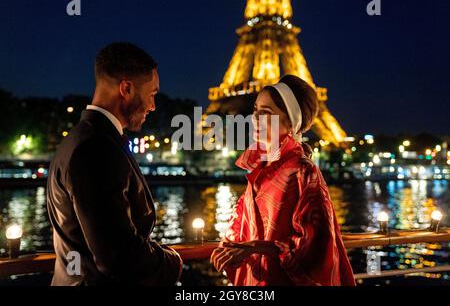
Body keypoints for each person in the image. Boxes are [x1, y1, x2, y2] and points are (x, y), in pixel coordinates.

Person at [47, 42, 182, 285]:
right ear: (126, 88)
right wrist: (171, 262)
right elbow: (117, 256)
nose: (153, 106)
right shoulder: (97, 149)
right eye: (152, 95)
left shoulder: (81, 138)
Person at [210, 75, 355, 286]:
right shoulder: (262, 168)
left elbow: (316, 245)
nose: (255, 118)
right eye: (255, 109)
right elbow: (241, 224)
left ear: (290, 121)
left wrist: (256, 248)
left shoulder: (303, 170)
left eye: (266, 112)